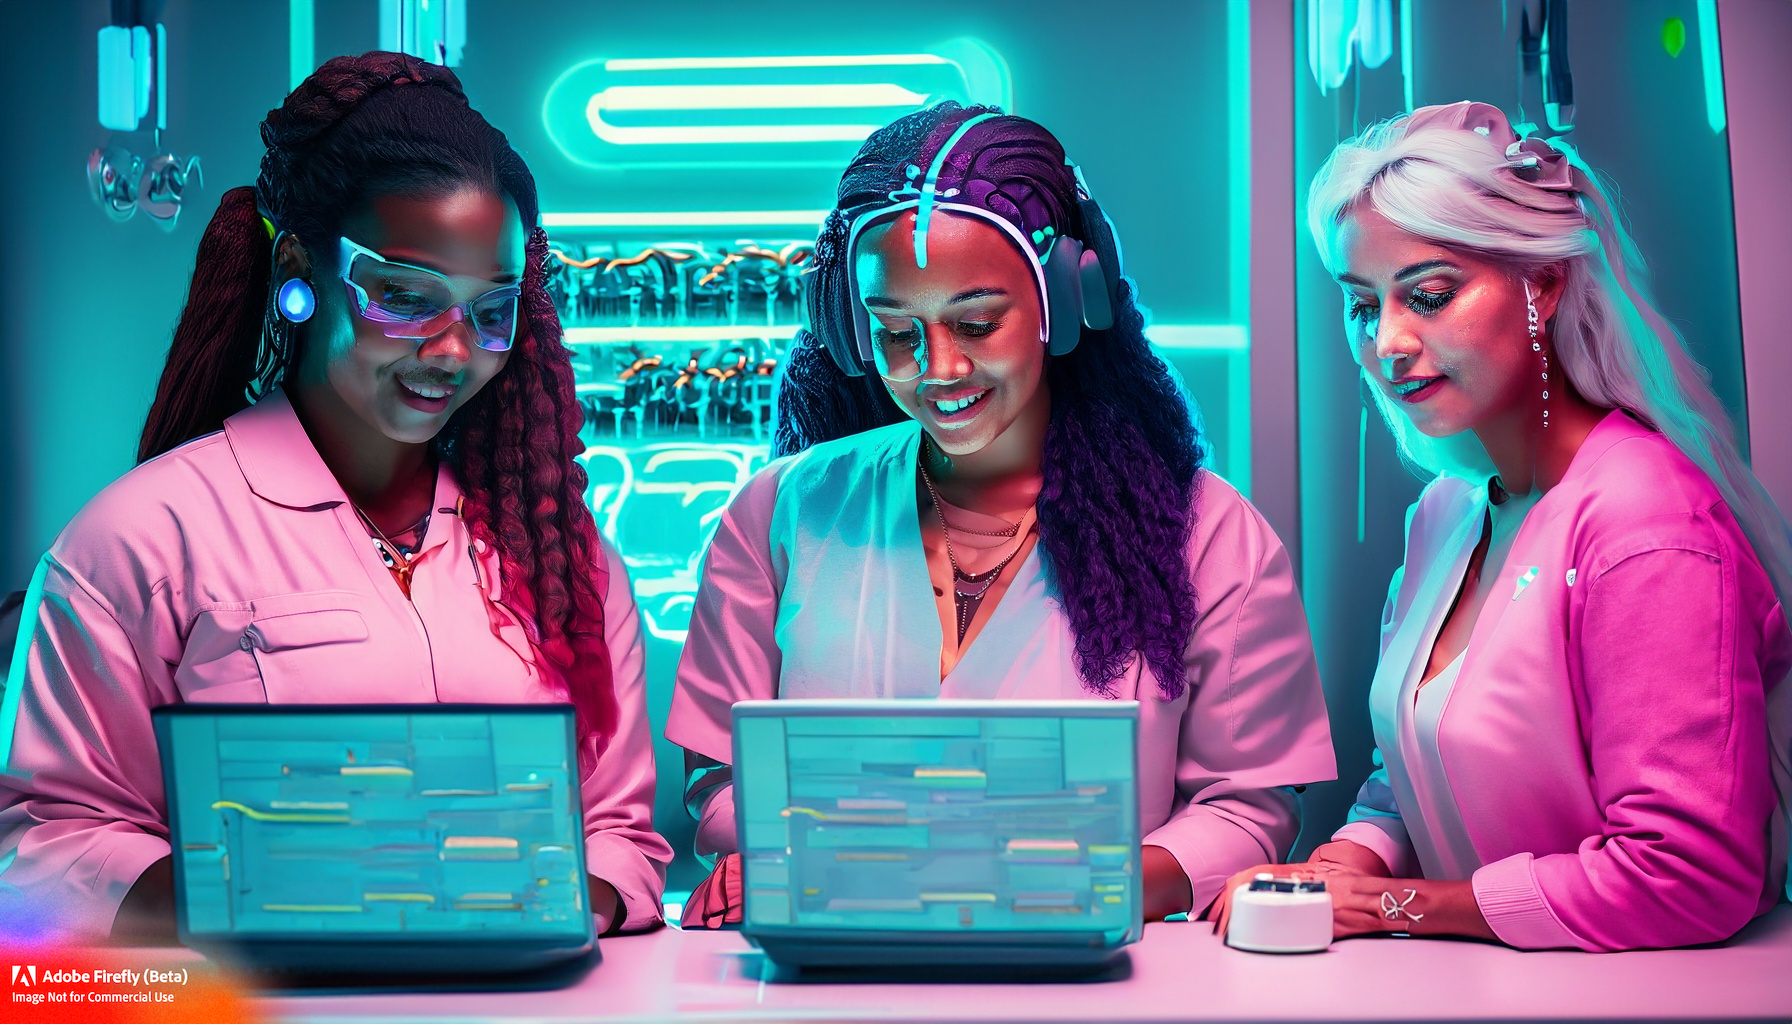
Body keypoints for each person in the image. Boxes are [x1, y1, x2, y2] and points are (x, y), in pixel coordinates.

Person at [0, 52, 670, 943]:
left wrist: (564, 893)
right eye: (404, 295)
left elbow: (621, 835)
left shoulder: (561, 557)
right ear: (297, 269)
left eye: (490, 310)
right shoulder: (140, 540)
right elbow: (44, 844)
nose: (450, 352)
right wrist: (282, 892)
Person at [667, 103, 1335, 927]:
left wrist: (1085, 885)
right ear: (848, 327)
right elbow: (722, 780)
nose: (938, 369)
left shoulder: (1208, 534)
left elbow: (1246, 809)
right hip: (835, 985)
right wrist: (766, 855)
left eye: (976, 323)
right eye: (896, 332)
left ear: (1066, 295)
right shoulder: (780, 512)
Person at [1214, 101, 1792, 951]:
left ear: (1544, 283)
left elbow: (1690, 874)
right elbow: (1414, 772)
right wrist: (1343, 864)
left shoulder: (1648, 523)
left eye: (1430, 295)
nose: (1389, 343)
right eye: (1362, 306)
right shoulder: (1447, 513)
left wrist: (1389, 908)